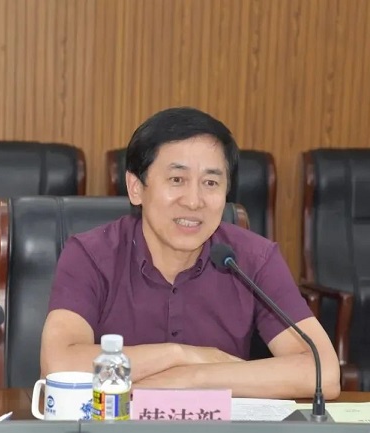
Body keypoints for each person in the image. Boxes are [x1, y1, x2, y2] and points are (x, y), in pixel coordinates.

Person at [40, 107, 340, 399]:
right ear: (136, 188)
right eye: (177, 180)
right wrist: (180, 355)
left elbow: (323, 373)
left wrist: (193, 377)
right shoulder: (91, 256)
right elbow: (58, 365)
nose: (194, 201)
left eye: (210, 183)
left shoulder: (253, 259)